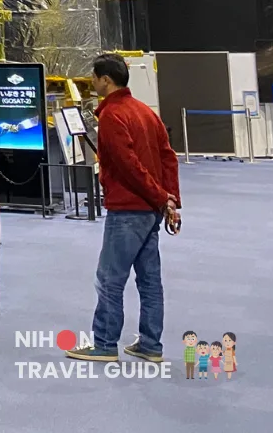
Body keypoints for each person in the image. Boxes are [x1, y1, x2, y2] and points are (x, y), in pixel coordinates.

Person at [65, 54, 180, 364]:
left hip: (129, 209)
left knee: (109, 278)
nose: (92, 81)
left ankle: (103, 343)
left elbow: (129, 167)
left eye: (94, 77)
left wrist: (159, 196)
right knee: (149, 280)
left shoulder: (113, 116)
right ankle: (150, 344)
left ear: (106, 80)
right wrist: (170, 200)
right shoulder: (146, 112)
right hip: (151, 211)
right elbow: (168, 157)